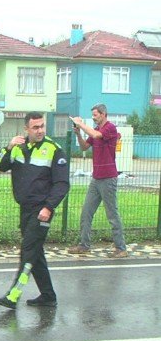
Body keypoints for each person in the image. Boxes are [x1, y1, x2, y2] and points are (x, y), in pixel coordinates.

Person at [0, 112, 70, 309]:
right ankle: (48, 296)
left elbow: (62, 184)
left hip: (42, 210)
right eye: (35, 127)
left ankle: (13, 295)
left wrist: (48, 207)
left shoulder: (54, 149)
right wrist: (8, 147)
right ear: (26, 129)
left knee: (28, 251)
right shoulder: (18, 148)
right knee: (35, 253)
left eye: (42, 126)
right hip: (25, 209)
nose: (40, 130)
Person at [68, 103, 127, 258]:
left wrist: (81, 123)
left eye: (95, 115)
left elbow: (95, 136)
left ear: (103, 114)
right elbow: (84, 147)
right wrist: (78, 133)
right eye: (93, 115)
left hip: (108, 178)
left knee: (112, 215)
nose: (94, 117)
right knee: (86, 212)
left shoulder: (109, 128)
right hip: (96, 178)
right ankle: (84, 245)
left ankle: (121, 248)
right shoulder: (97, 130)